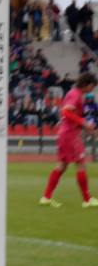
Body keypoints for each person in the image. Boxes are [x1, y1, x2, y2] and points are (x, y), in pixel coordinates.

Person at [40, 72, 98, 207]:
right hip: (71, 135)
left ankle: (46, 197)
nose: (93, 90)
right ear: (88, 84)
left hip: (65, 133)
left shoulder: (74, 93)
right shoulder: (76, 94)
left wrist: (84, 125)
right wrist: (83, 122)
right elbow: (65, 112)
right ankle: (87, 199)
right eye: (93, 87)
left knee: (62, 166)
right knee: (81, 164)